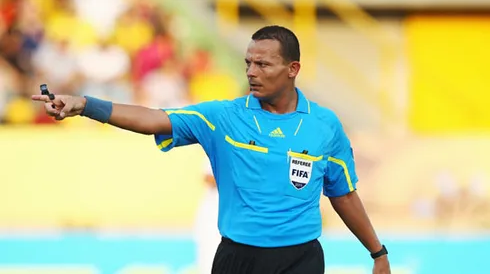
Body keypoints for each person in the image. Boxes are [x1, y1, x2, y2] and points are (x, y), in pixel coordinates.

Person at [32, 25, 391, 274]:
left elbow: (343, 194)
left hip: (302, 259)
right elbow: (153, 118)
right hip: (238, 258)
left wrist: (377, 252)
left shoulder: (325, 126)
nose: (252, 71)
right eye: (248, 62)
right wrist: (84, 104)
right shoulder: (223, 116)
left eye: (263, 64)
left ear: (292, 69)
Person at [194, 160, 220, 274]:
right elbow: (208, 177)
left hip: (233, 222)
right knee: (209, 261)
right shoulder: (219, 146)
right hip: (212, 219)